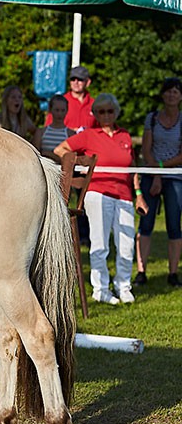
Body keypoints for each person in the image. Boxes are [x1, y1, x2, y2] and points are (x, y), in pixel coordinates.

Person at [54, 94, 148, 305]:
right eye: (101, 112)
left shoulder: (124, 135)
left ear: (116, 112)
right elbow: (61, 150)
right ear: (95, 114)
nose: (106, 115)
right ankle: (101, 288)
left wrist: (138, 194)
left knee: (126, 243)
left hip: (124, 194)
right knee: (100, 242)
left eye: (110, 111)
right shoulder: (88, 135)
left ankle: (123, 285)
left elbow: (131, 166)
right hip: (98, 192)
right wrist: (80, 168)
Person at [135, 77, 182, 287]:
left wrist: (161, 169)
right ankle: (141, 271)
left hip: (174, 176)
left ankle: (173, 273)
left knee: (174, 224)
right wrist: (155, 174)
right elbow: (146, 149)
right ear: (163, 94)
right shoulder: (152, 118)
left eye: (176, 91)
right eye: (168, 91)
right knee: (146, 223)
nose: (172, 95)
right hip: (151, 173)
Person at [46, 65, 96, 132]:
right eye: (73, 79)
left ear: (88, 82)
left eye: (80, 79)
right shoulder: (59, 102)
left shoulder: (95, 105)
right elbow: (48, 129)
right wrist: (72, 131)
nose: (76, 82)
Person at [32, 94, 76, 163]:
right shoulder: (41, 132)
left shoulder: (70, 134)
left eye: (62, 110)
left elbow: (71, 158)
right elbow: (35, 156)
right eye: (57, 110)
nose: (60, 114)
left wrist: (49, 154)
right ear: (50, 110)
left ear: (67, 111)